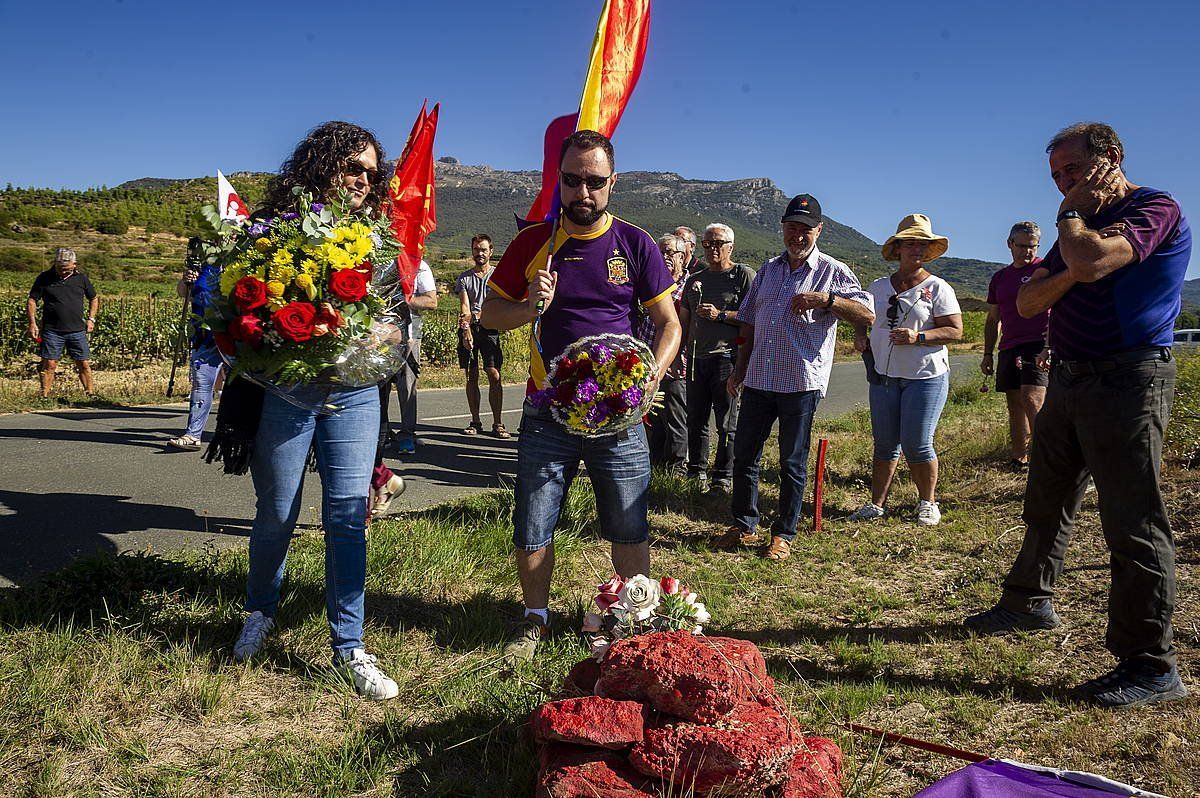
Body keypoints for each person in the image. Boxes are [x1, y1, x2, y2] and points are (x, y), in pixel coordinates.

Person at [965, 122, 1191, 708]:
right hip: (1069, 374)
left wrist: (1070, 225)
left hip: (1129, 375)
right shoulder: (1077, 228)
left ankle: (1151, 664)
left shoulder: (1154, 207)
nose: (1064, 183)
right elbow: (1026, 301)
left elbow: (1092, 261)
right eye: (1057, 177)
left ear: (1110, 157)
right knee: (1046, 497)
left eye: (1072, 171)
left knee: (1131, 517)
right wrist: (1073, 266)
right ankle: (1027, 601)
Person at [480, 129, 681, 660]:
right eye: (572, 181)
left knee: (628, 520)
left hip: (619, 416)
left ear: (612, 183)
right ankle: (534, 618)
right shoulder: (533, 245)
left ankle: (632, 620)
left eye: (594, 181)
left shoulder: (636, 245)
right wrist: (530, 306)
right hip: (549, 413)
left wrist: (650, 376)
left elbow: (668, 324)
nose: (583, 192)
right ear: (560, 182)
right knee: (534, 519)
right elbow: (489, 315)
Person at [226, 121, 400, 700]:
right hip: (288, 391)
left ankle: (349, 647)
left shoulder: (380, 240)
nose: (363, 180)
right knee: (277, 511)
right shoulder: (271, 231)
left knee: (348, 518)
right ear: (322, 165)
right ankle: (260, 613)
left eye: (372, 174)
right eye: (354, 167)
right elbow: (240, 308)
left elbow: (392, 320)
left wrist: (377, 337)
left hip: (353, 393)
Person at [723, 194, 873, 560]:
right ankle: (744, 525)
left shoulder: (832, 271)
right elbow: (749, 324)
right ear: (783, 229)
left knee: (791, 461)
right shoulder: (768, 270)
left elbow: (866, 313)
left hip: (800, 383)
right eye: (792, 227)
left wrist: (827, 301)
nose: (798, 235)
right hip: (759, 378)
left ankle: (784, 533)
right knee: (744, 456)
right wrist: (739, 370)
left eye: (805, 229)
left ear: (818, 230)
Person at [848, 214, 963, 526]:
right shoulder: (878, 287)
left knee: (917, 441)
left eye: (922, 244)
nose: (916, 249)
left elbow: (955, 331)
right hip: (884, 376)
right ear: (897, 248)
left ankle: (928, 502)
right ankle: (876, 504)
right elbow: (863, 316)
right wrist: (861, 335)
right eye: (910, 243)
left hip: (925, 376)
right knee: (884, 442)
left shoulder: (939, 288)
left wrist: (919, 337)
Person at [679, 223, 754, 492]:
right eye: (707, 243)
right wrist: (679, 354)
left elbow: (754, 317)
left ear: (730, 247)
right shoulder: (694, 280)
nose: (712, 248)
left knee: (726, 422)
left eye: (718, 243)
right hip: (697, 359)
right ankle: (696, 473)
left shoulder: (742, 275)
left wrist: (721, 315)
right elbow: (683, 322)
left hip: (726, 357)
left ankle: (723, 476)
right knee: (696, 419)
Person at [981, 221, 1049, 470]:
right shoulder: (1000, 278)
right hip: (1009, 346)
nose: (1027, 251)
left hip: (1039, 343)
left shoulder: (1045, 269)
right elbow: (993, 319)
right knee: (1015, 403)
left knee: (1033, 399)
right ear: (1010, 244)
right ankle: (1019, 458)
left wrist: (1050, 346)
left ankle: (1048, 459)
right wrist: (988, 353)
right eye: (1022, 246)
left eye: (1033, 246)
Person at [167, 238, 227, 451]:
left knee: (241, 387)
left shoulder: (241, 261)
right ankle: (193, 435)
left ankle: (243, 435)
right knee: (202, 385)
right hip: (205, 336)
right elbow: (184, 293)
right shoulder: (204, 266)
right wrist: (186, 280)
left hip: (235, 335)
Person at [642, 234, 689, 474]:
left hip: (673, 366)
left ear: (684, 257)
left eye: (672, 253)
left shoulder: (689, 287)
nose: (666, 258)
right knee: (653, 419)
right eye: (662, 252)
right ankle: (656, 466)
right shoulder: (651, 284)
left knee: (675, 419)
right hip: (647, 362)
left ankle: (678, 469)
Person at [382, 258, 437, 455]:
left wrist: (403, 299)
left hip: (411, 336)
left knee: (407, 387)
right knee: (380, 387)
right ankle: (384, 432)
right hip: (380, 336)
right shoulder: (380, 263)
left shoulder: (419, 266)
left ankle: (407, 434)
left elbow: (432, 301)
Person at [27, 248, 98, 399]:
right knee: (50, 364)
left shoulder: (82, 279)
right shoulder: (44, 278)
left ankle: (90, 395)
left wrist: (91, 319)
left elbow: (94, 298)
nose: (63, 272)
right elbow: (32, 300)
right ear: (55, 264)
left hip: (77, 330)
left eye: (66, 269)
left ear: (74, 265)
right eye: (60, 268)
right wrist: (32, 323)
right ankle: (44, 396)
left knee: (83, 363)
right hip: (52, 330)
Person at [456, 234, 508, 438]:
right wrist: (466, 329)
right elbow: (464, 307)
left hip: (491, 328)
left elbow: (501, 304)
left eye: (483, 249)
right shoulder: (464, 278)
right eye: (476, 249)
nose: (480, 253)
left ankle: (498, 423)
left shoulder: (498, 276)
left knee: (494, 374)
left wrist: (480, 315)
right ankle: (475, 421)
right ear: (472, 251)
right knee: (472, 375)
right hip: (469, 328)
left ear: (490, 252)